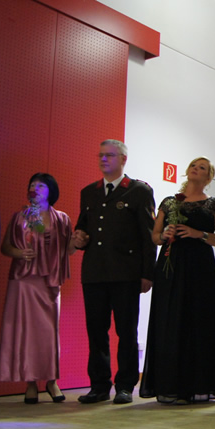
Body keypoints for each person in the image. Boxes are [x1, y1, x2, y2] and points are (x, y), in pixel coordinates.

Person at [139, 157, 215, 405]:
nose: (196, 169)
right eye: (193, 165)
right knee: (170, 318)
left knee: (197, 319)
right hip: (171, 266)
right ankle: (170, 384)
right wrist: (164, 234)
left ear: (208, 177)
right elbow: (154, 236)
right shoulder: (169, 202)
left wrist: (198, 234)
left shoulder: (214, 204)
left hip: (200, 268)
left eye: (202, 167)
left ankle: (198, 384)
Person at [73, 139, 156, 404]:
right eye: (101, 155)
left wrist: (148, 273)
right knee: (96, 331)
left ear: (123, 159)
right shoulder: (90, 192)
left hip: (126, 273)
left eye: (109, 155)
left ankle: (125, 385)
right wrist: (79, 237)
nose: (103, 159)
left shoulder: (138, 191)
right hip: (95, 272)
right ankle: (99, 385)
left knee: (126, 332)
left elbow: (148, 235)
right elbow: (83, 226)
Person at [0, 174, 75, 403]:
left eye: (41, 185)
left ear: (51, 191)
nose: (35, 188)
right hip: (24, 280)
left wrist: (78, 240)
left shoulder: (62, 219)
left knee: (49, 333)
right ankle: (30, 383)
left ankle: (51, 381)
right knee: (26, 333)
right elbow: (5, 247)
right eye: (32, 185)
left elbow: (69, 249)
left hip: (50, 281)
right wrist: (19, 253)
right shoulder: (21, 216)